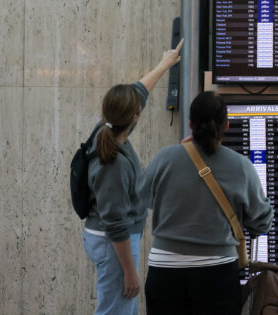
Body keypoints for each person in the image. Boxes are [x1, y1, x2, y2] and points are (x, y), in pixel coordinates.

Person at [138, 91, 274, 315]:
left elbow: (142, 197)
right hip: (217, 272)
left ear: (191, 124)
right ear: (226, 125)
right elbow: (262, 221)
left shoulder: (165, 158)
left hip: (164, 270)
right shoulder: (241, 166)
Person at [82, 39, 183, 315]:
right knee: (117, 311)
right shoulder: (113, 162)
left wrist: (165, 63)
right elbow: (115, 222)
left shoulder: (106, 129)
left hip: (107, 239)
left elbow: (139, 91)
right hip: (113, 244)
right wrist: (129, 272)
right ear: (136, 117)